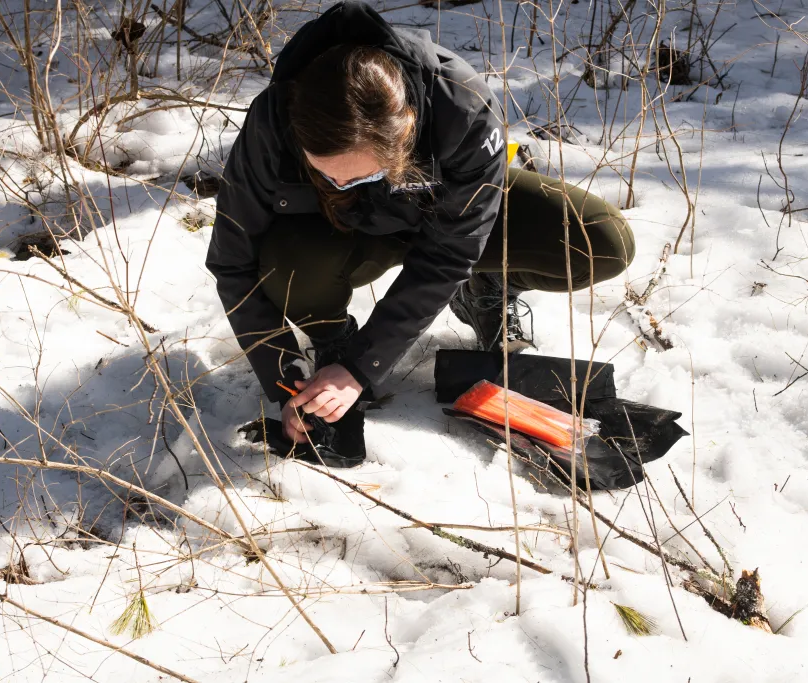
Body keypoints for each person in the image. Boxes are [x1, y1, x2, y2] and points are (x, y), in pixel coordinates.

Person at [206, 1, 635, 448]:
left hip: (443, 214)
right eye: (324, 172)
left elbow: (449, 252)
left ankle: (483, 292)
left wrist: (362, 368)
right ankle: (332, 337)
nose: (338, 182)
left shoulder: (460, 104)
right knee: (283, 266)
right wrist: (287, 381)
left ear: (405, 131)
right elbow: (232, 262)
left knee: (600, 240)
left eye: (360, 174)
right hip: (342, 235)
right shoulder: (273, 120)